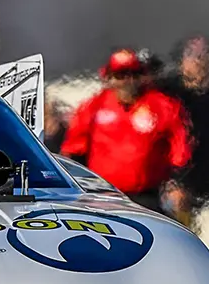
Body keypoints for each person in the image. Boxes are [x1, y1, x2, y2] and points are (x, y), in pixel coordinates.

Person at [60, 48, 192, 212]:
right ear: (109, 78)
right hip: (101, 195)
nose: (127, 81)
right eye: (120, 75)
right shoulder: (93, 106)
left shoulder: (163, 106)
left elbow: (180, 150)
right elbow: (73, 150)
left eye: (133, 74)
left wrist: (178, 184)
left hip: (146, 196)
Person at [159, 35, 209, 216]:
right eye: (192, 55)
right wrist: (173, 182)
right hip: (173, 186)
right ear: (181, 61)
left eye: (204, 55)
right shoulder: (167, 93)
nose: (199, 61)